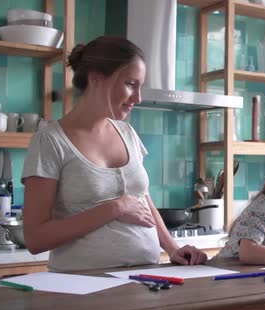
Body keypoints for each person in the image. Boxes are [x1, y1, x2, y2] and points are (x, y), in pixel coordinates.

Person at [22, 36, 207, 272]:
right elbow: (36, 239)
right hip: (81, 285)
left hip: (147, 277)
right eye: (131, 84)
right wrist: (113, 209)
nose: (138, 98)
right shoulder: (50, 141)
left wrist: (172, 248)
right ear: (96, 78)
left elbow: (142, 198)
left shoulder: (127, 133)